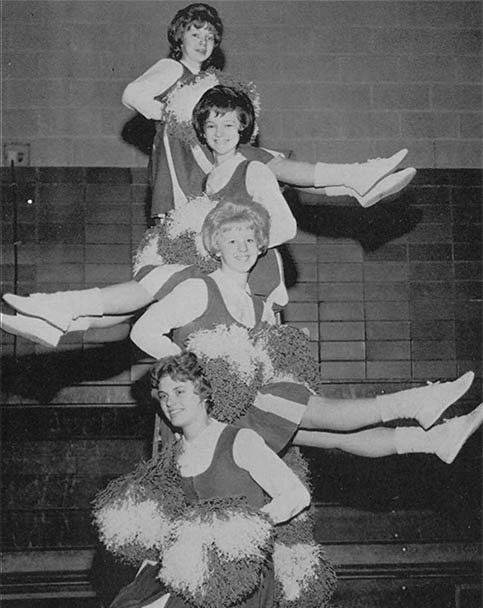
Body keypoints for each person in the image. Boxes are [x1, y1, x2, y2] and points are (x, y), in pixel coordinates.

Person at [13, 351, 311, 608]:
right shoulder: (174, 453)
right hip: (183, 566)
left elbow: (296, 495)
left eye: (180, 392)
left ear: (203, 392)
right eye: (165, 396)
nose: (170, 403)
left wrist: (241, 531)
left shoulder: (239, 441)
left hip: (233, 575)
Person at [129, 198, 483, 464]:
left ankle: (434, 440)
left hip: (243, 409)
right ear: (215, 245)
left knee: (334, 437)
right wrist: (199, 374)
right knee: (320, 412)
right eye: (231, 240)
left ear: (261, 247)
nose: (242, 249)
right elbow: (143, 332)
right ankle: (417, 402)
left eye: (249, 241)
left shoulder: (261, 306)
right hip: (210, 410)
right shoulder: (198, 288)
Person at [1, 85, 296, 348]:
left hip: (252, 272)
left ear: (243, 127)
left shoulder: (252, 170)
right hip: (223, 267)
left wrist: (234, 244)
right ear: (202, 131)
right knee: (149, 296)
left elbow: (286, 227)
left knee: (156, 282)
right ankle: (58, 323)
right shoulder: (211, 177)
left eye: (229, 124)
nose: (220, 134)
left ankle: (61, 308)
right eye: (212, 125)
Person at [122, 2, 415, 217]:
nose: (203, 42)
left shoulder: (206, 79)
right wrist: (180, 118)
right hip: (185, 163)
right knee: (268, 165)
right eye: (196, 34)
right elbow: (132, 94)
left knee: (272, 170)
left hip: (206, 156)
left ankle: (353, 185)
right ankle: (355, 178)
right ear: (180, 36)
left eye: (210, 37)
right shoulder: (173, 67)